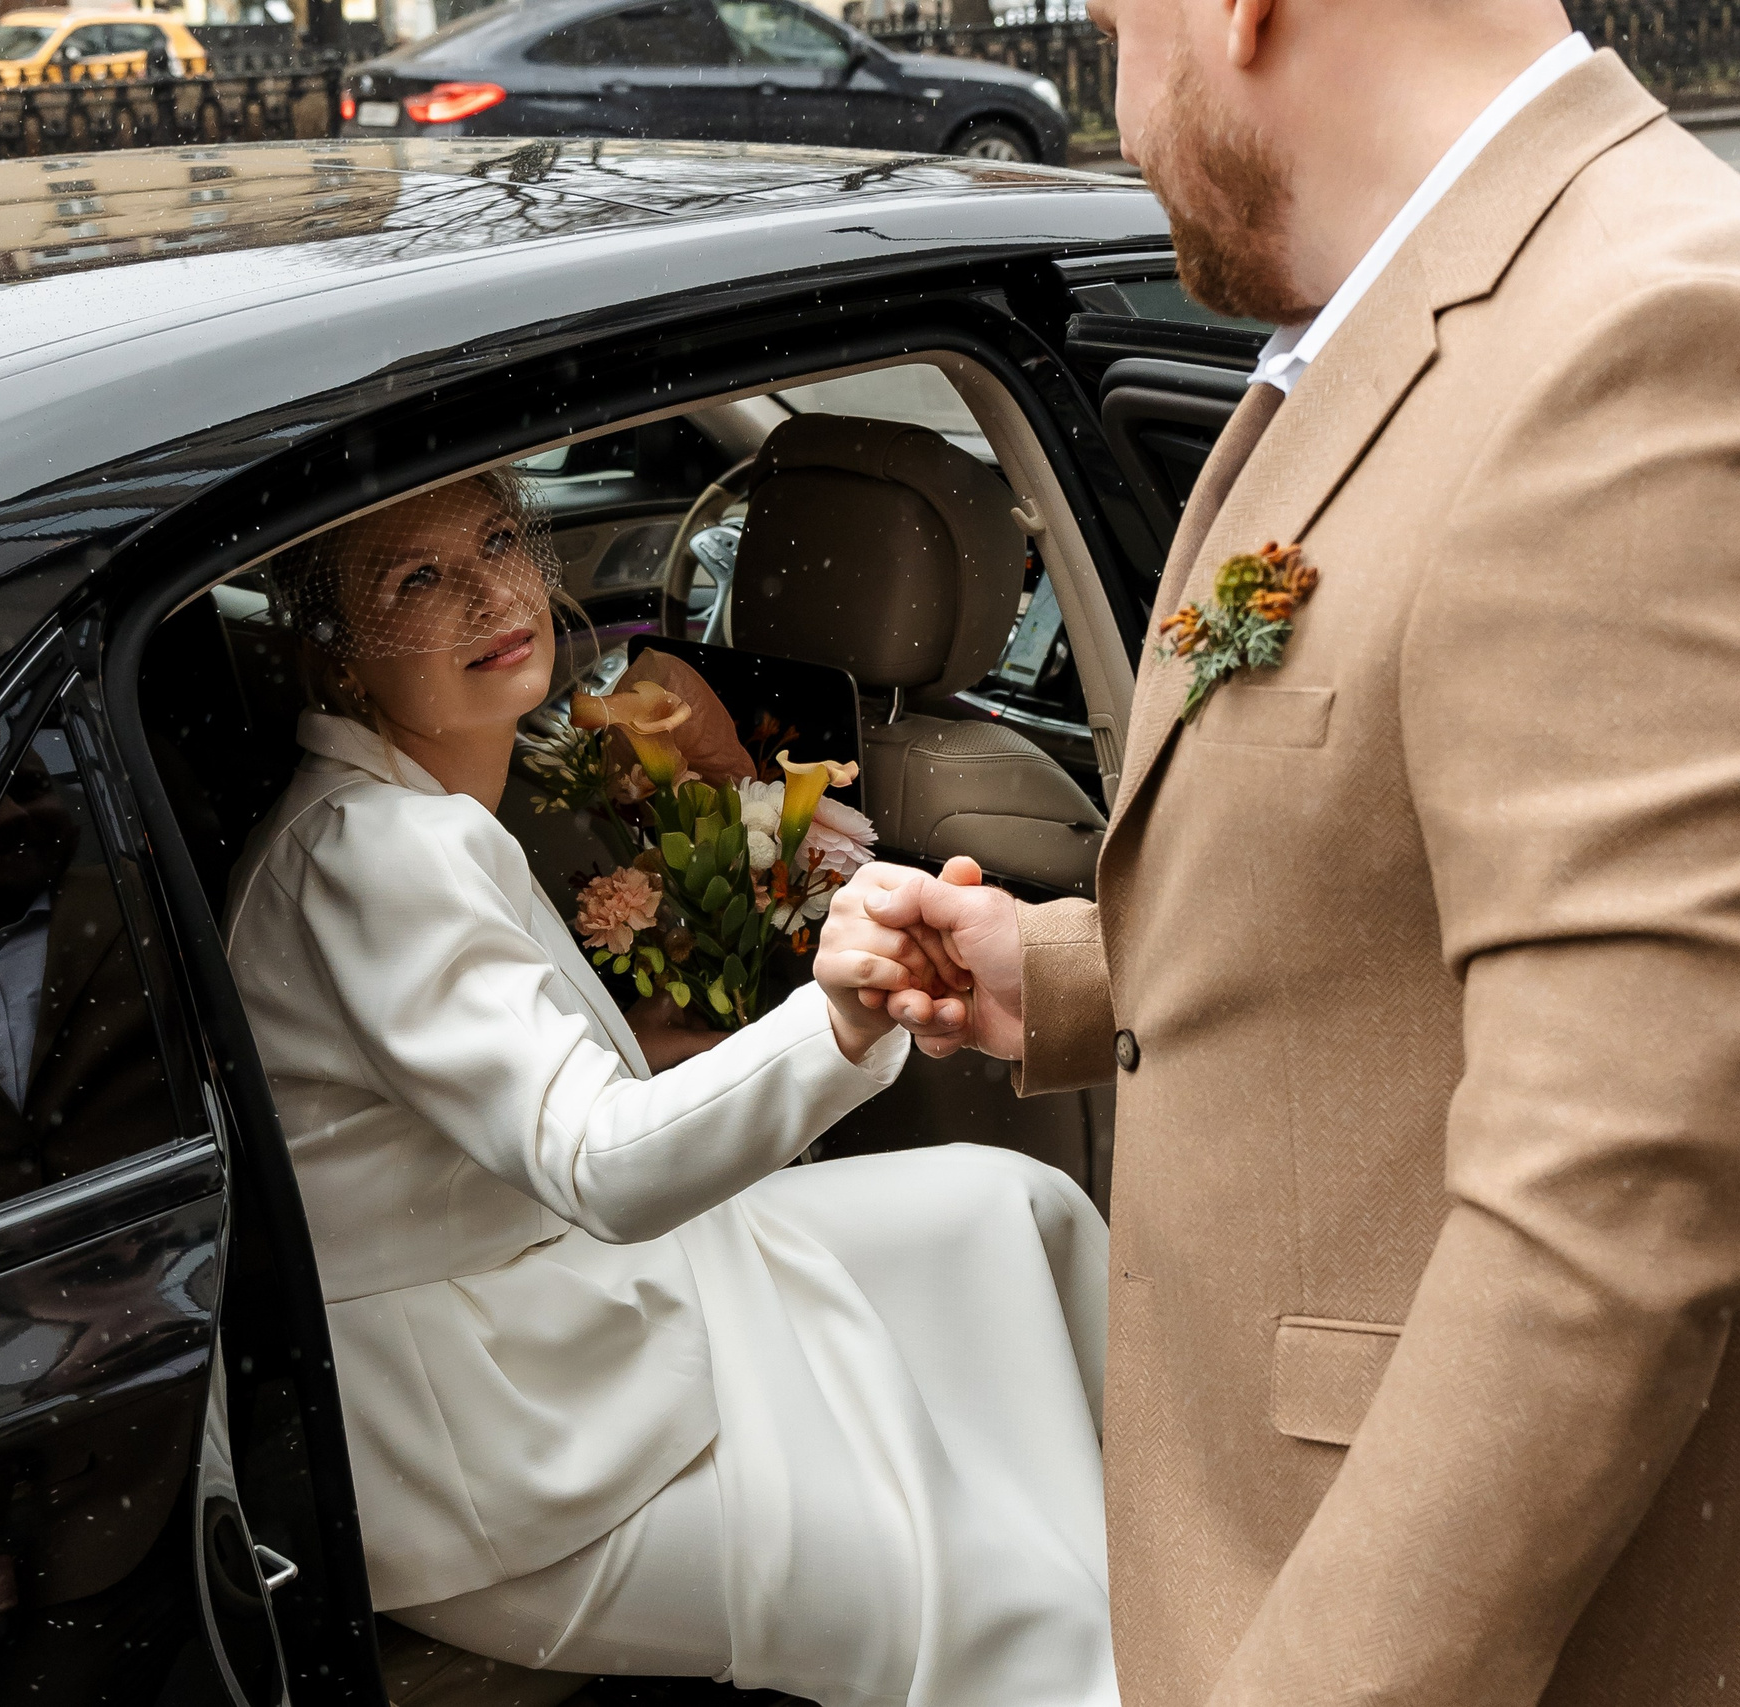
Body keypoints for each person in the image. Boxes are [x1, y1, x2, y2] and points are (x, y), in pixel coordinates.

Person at [861, 2, 1740, 1703]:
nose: (1110, 83)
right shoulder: (1443, 310)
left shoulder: (1669, 351)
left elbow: (1602, 1238)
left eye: (1114, 22)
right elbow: (1415, 834)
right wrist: (1075, 974)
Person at [220, 471, 1117, 1707]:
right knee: (999, 1599)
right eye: (418, 580)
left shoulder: (415, 802)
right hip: (506, 1448)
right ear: (334, 660)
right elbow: (598, 1166)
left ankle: (1150, 1553)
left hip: (555, 1324)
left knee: (1002, 1207)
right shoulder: (383, 849)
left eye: (495, 540)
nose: (495, 591)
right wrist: (840, 1015)